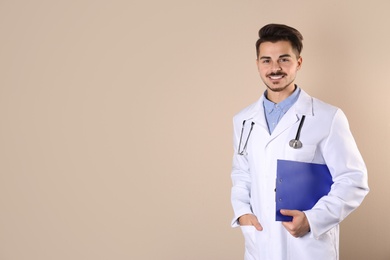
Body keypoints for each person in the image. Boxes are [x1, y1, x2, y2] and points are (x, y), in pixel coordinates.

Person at [230, 24, 369, 260]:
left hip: (307, 246)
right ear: (257, 64)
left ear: (298, 62)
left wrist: (313, 220)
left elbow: (353, 180)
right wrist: (243, 213)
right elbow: (241, 173)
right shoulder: (243, 120)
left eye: (284, 59)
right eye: (266, 60)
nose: (275, 68)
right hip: (260, 242)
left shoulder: (327, 116)